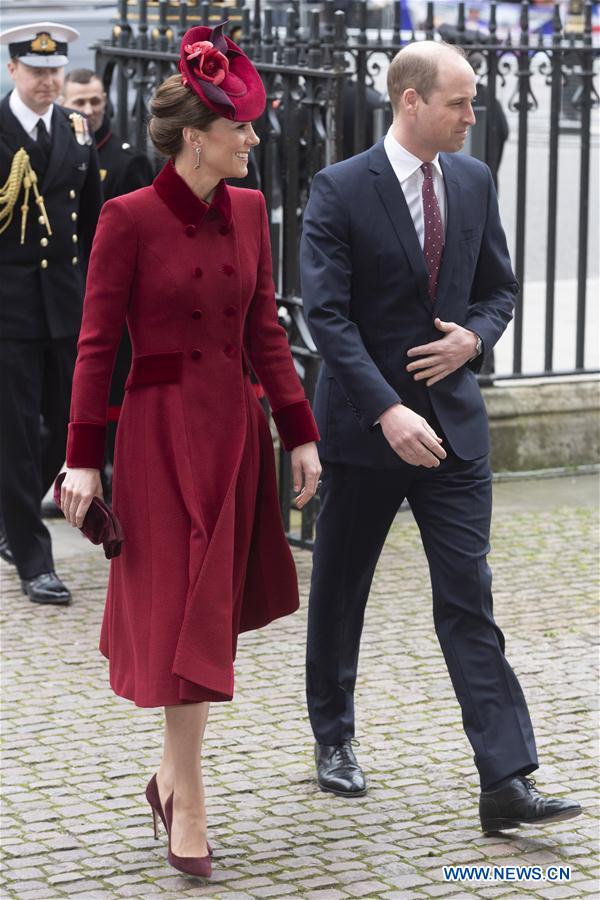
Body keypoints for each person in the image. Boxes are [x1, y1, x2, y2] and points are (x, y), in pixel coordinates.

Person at [59, 24, 320, 878]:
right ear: (198, 138)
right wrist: (82, 459)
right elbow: (97, 347)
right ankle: (191, 802)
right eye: (241, 128)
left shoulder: (250, 212)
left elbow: (266, 333)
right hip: (158, 440)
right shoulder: (126, 218)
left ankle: (170, 780)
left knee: (203, 615)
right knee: (178, 613)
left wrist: (301, 434)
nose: (254, 139)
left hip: (233, 436)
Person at [300, 41, 581, 834]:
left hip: (454, 429)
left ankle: (506, 778)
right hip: (367, 430)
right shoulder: (339, 188)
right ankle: (334, 736)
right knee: (342, 588)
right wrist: (388, 408)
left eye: (473, 101)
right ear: (412, 102)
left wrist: (474, 342)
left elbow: (500, 290)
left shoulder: (473, 177)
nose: (472, 114)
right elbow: (327, 316)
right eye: (459, 102)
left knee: (468, 597)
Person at [0, 22, 103, 603]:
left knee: (67, 423)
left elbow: (91, 224)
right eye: (37, 71)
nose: (48, 81)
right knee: (14, 434)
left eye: (55, 70)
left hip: (67, 304)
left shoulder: (75, 128)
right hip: (10, 311)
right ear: (14, 70)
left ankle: (8, 517)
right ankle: (33, 557)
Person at [61, 68, 155, 500]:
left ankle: (113, 476)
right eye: (79, 102)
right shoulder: (54, 152)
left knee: (112, 392)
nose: (89, 110)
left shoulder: (125, 158)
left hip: (108, 298)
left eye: (96, 101)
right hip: (63, 292)